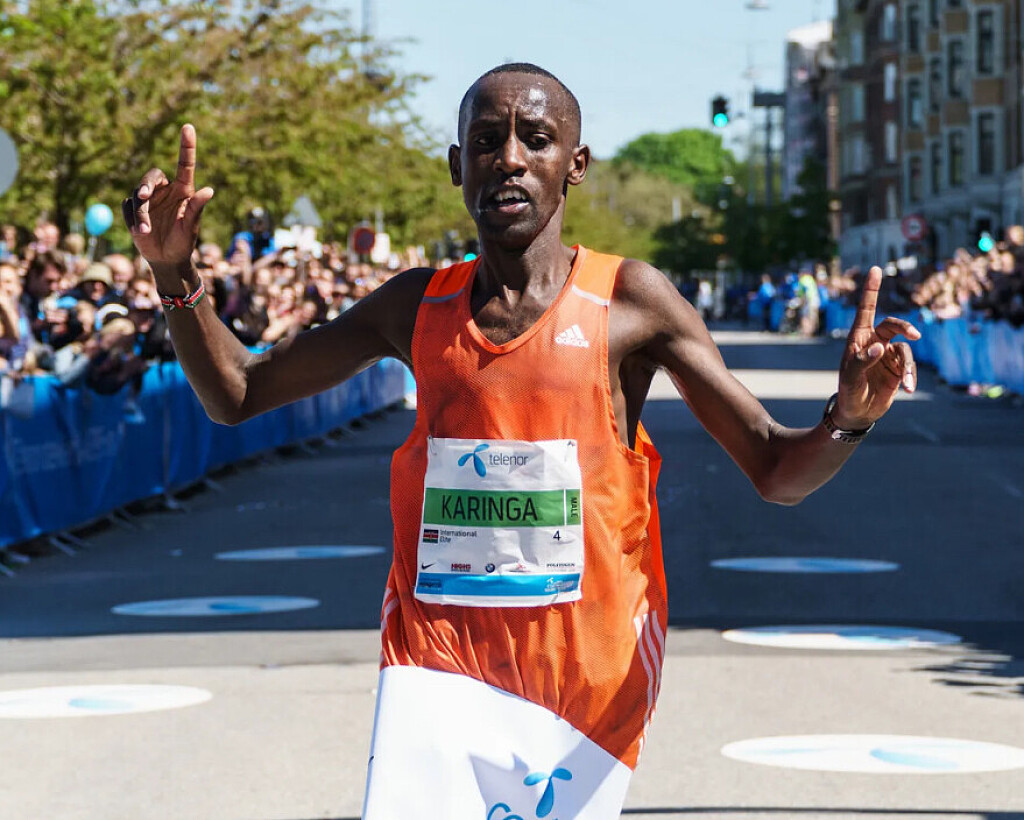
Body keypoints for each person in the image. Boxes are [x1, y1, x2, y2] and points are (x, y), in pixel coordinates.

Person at [122, 63, 919, 819]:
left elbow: (776, 469)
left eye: (535, 140)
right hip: (436, 664)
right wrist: (174, 275)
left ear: (575, 165)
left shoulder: (631, 300)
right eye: (485, 141)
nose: (508, 159)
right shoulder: (415, 306)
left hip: (584, 682)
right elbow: (238, 393)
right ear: (456, 166)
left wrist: (847, 416)